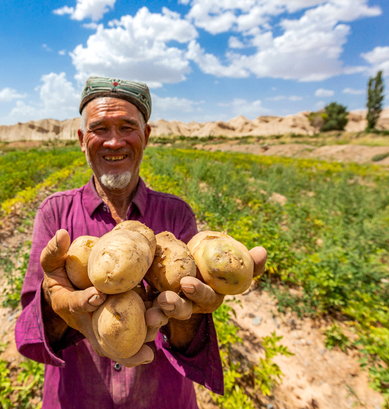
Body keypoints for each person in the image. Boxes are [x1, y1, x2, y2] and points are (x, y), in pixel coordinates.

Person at [15, 76, 267, 409]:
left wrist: (190, 311)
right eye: (100, 129)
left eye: (127, 127)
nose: (114, 142)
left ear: (146, 136)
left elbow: (188, 321)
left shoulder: (176, 214)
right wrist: (58, 304)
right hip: (77, 398)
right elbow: (31, 326)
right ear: (81, 139)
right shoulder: (55, 211)